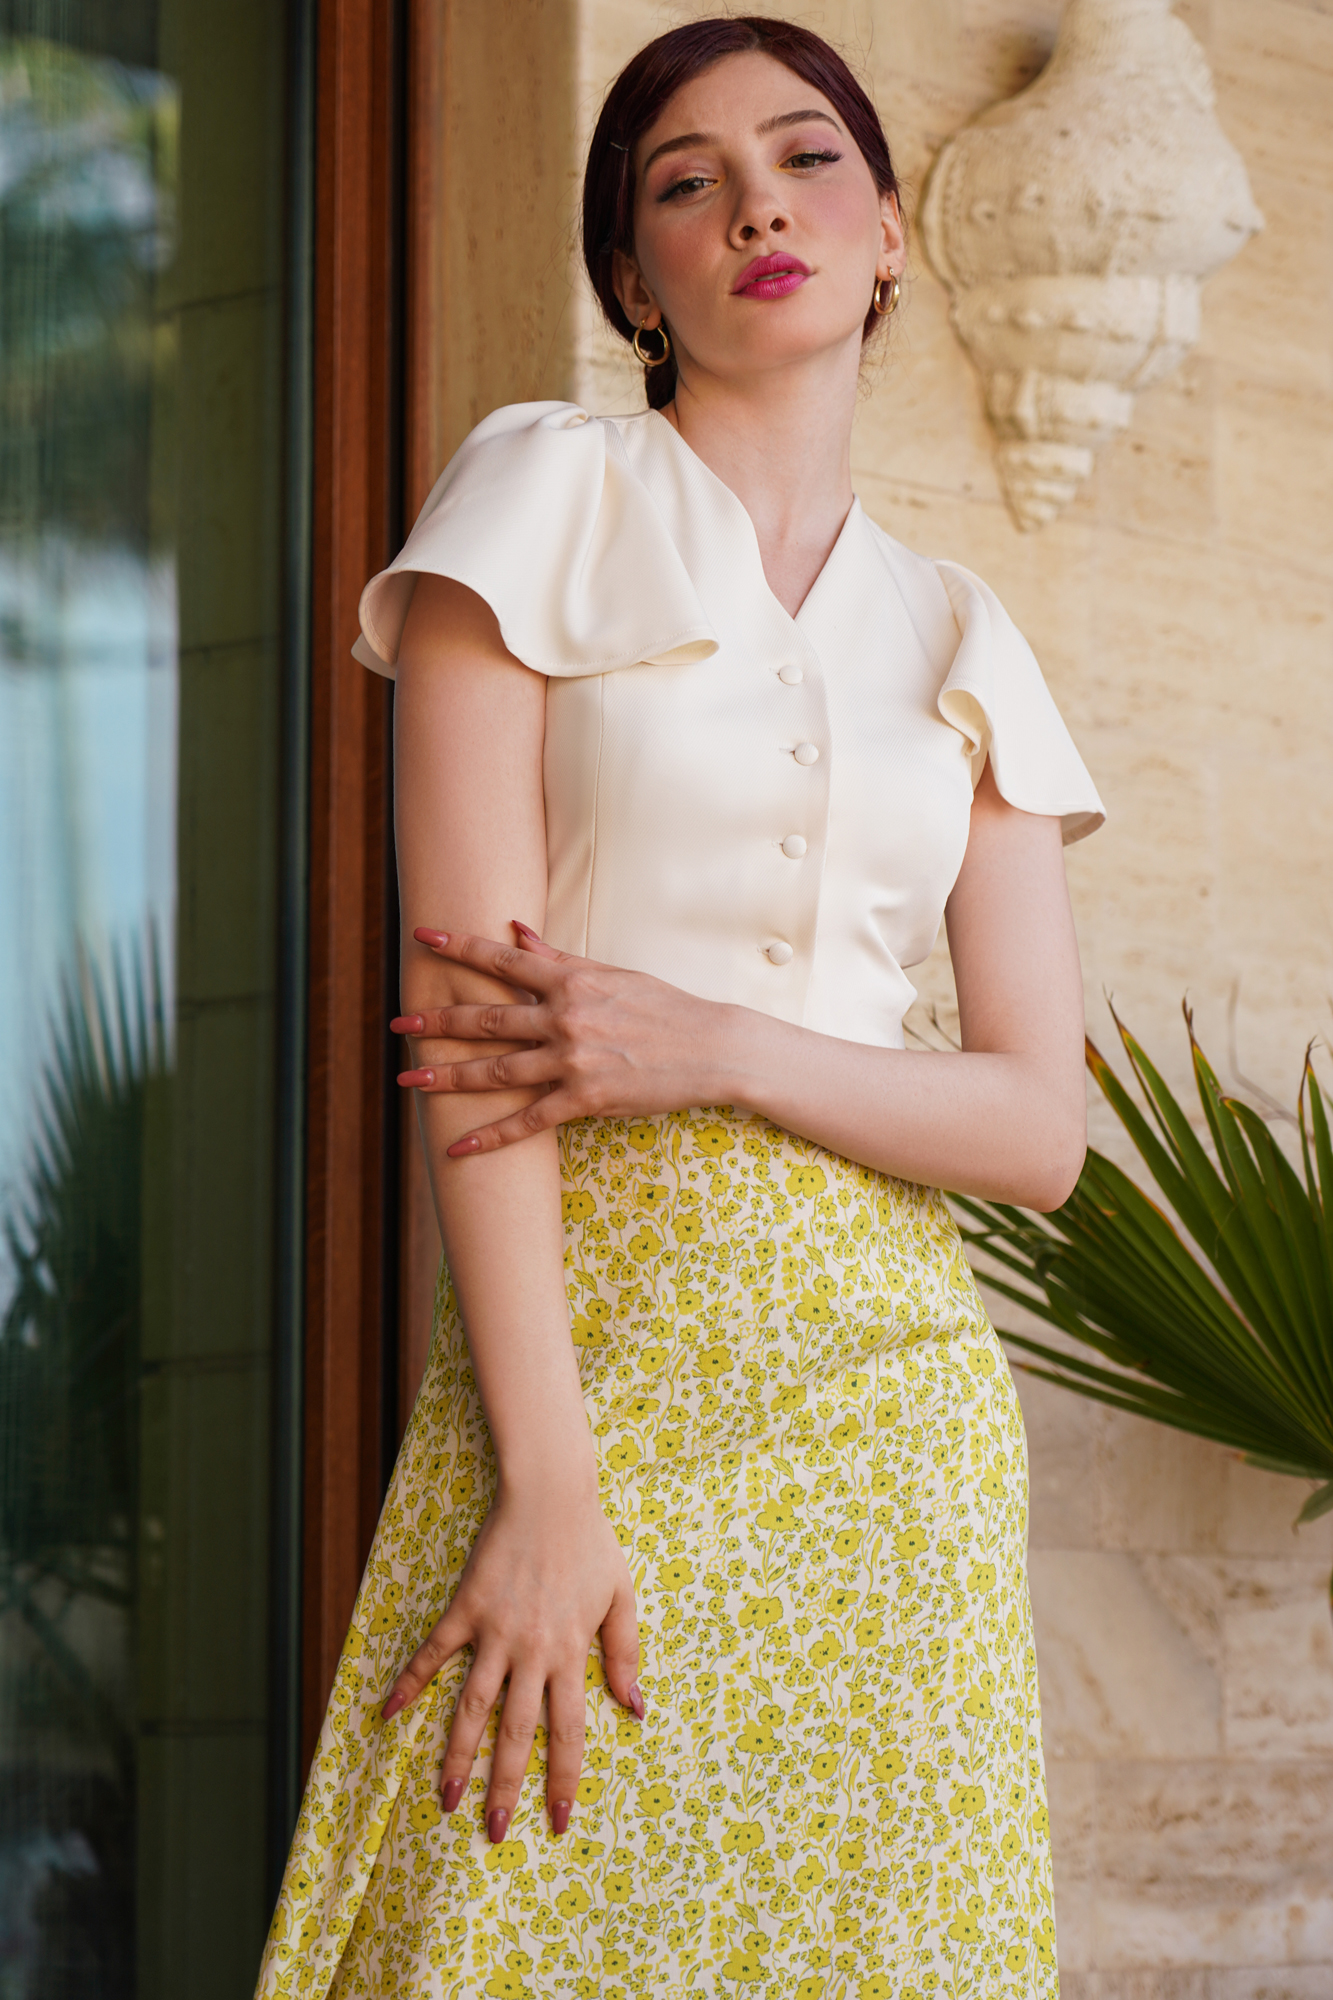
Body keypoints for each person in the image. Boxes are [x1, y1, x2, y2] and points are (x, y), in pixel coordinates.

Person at [256, 16, 1103, 1998]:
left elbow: (1035, 1126)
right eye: (682, 179)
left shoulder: (962, 635)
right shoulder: (536, 494)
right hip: (593, 1368)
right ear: (632, 277)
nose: (756, 207)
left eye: (807, 162)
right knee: (495, 1910)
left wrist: (714, 1045)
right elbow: (474, 1027)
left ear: (887, 235)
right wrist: (548, 1488)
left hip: (887, 1410)